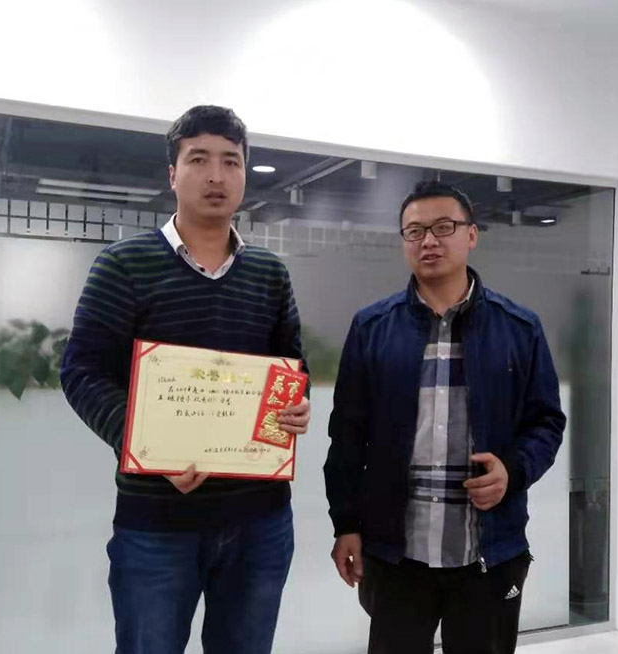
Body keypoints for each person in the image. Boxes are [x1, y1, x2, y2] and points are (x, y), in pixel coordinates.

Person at [61, 105, 310, 654]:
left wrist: (296, 405)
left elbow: (291, 368)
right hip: (158, 520)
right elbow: (81, 371)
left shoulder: (270, 273)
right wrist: (149, 445)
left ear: (244, 174)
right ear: (173, 173)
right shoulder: (123, 264)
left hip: (261, 520)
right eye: (199, 159)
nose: (216, 175)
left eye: (231, 161)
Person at [324, 180, 565, 654]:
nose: (429, 241)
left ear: (471, 235)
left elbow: (546, 423)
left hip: (488, 551)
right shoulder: (372, 327)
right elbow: (347, 436)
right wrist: (345, 524)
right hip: (397, 552)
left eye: (443, 227)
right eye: (414, 231)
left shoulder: (518, 327)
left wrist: (512, 470)